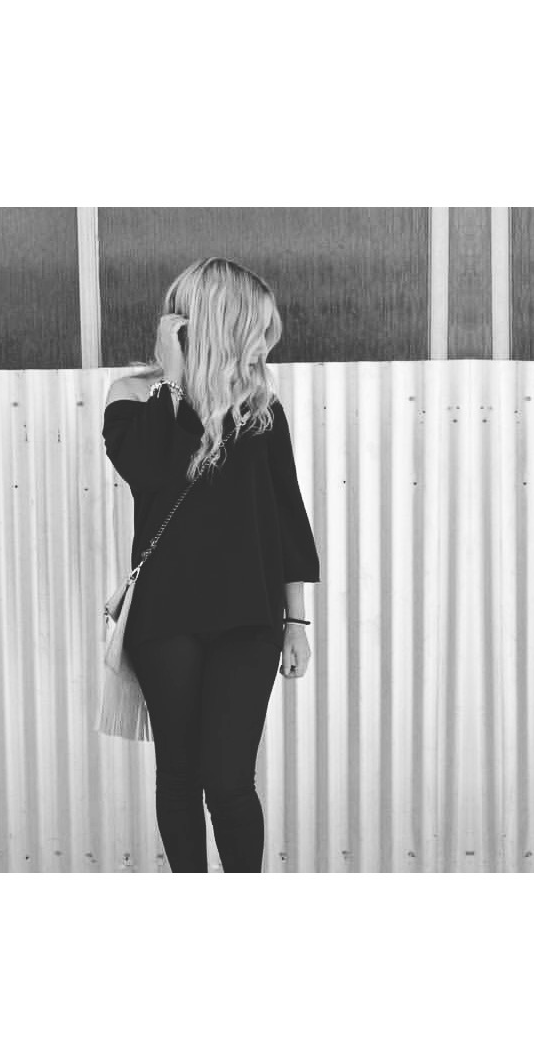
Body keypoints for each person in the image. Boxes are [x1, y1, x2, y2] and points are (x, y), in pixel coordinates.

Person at [102, 257, 320, 872]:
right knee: (180, 773)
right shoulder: (133, 396)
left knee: (228, 779)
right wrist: (172, 382)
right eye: (255, 325)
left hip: (249, 617)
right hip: (166, 617)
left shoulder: (259, 406)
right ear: (223, 321)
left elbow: (287, 518)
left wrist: (297, 622)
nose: (263, 341)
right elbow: (147, 471)